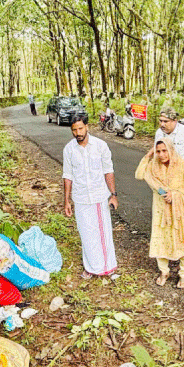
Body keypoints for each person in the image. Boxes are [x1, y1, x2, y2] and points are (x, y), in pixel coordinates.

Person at [136, 140, 184, 288]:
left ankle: (183, 274)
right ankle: (164, 271)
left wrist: (175, 195)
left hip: (181, 211)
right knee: (161, 240)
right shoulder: (153, 166)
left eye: (165, 151)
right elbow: (139, 174)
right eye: (158, 151)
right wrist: (149, 154)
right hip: (160, 210)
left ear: (171, 150)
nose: (162, 154)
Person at [62, 117, 118, 278]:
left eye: (80, 129)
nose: (78, 133)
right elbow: (67, 175)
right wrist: (67, 200)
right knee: (86, 232)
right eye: (74, 130)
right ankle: (91, 267)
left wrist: (113, 195)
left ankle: (107, 267)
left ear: (87, 126)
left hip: (99, 196)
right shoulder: (69, 149)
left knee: (102, 232)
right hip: (80, 197)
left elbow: (108, 171)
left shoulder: (100, 146)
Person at [154, 108, 184, 174]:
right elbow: (156, 153)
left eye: (165, 121)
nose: (162, 124)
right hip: (164, 173)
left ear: (174, 121)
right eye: (160, 121)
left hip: (183, 173)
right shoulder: (159, 132)